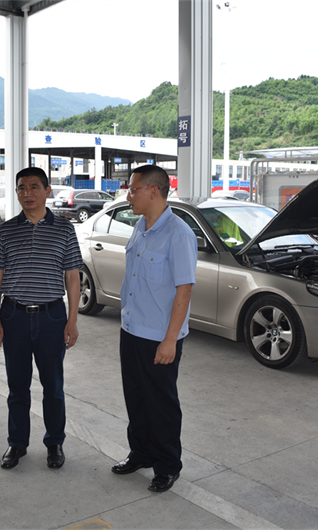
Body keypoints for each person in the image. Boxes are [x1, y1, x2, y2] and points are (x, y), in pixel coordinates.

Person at [0, 167, 83, 470]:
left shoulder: (64, 229)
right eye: (21, 188)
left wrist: (72, 320)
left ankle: (54, 442)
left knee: (53, 386)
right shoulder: (5, 230)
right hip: (13, 315)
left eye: (33, 187)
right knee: (17, 386)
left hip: (51, 317)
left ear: (47, 190)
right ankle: (17, 443)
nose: (26, 193)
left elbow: (73, 278)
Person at [111, 165, 197, 494]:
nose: (128, 196)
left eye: (133, 190)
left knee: (161, 403)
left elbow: (184, 290)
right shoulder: (140, 228)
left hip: (159, 336)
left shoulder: (179, 234)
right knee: (135, 397)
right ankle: (141, 453)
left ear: (153, 191)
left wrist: (170, 340)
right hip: (132, 330)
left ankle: (167, 465)